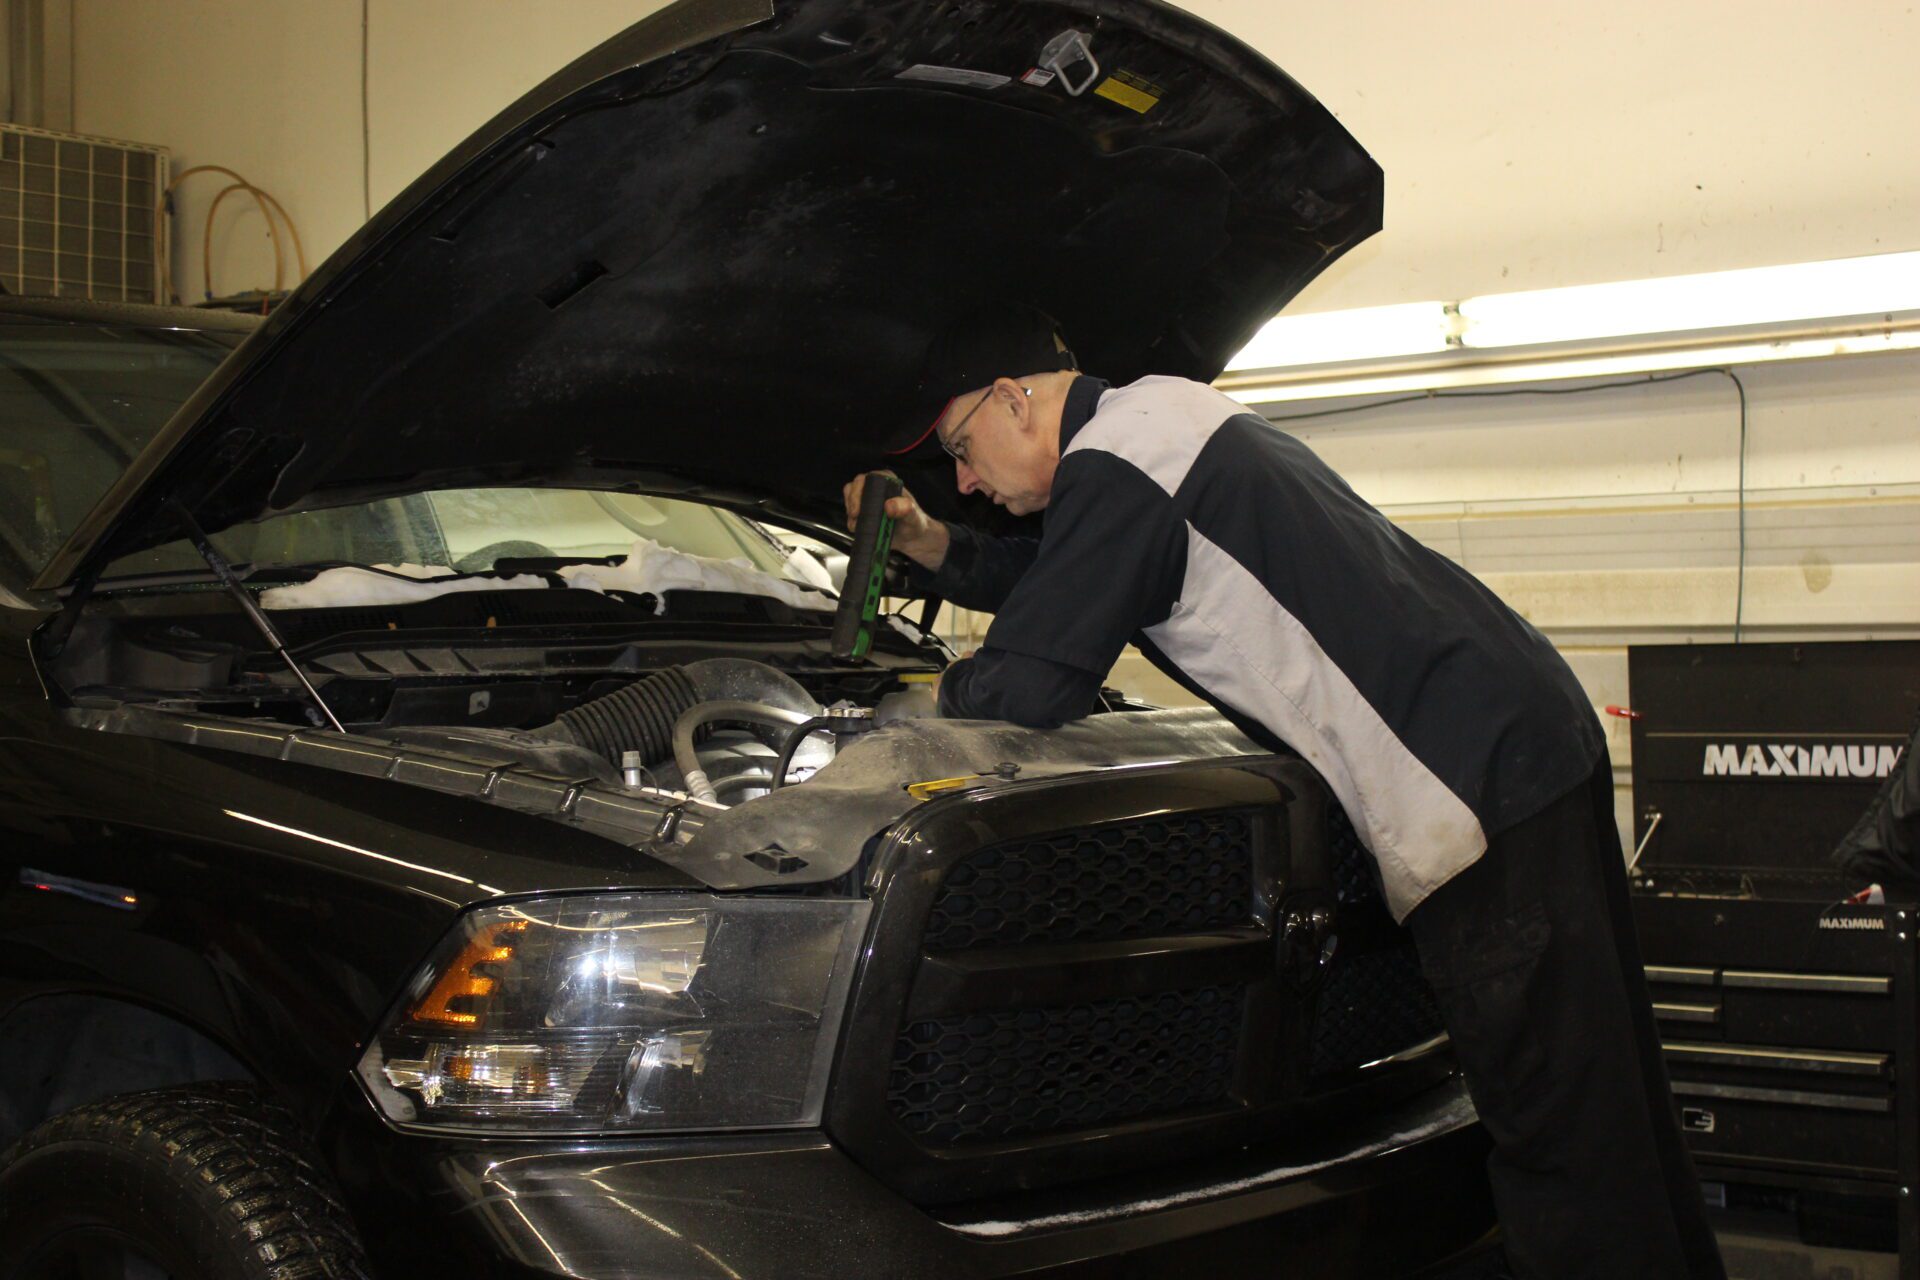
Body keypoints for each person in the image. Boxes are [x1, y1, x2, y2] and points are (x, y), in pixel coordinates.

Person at [845, 303, 1727, 1280]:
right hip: (1521, 730)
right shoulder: (1160, 420)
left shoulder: (1118, 466)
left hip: (1469, 779)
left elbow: (1030, 683)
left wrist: (908, 705)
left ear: (1015, 401)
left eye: (962, 449)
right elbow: (1066, 575)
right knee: (1609, 1095)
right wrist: (937, 544)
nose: (967, 481)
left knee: (1553, 1126)